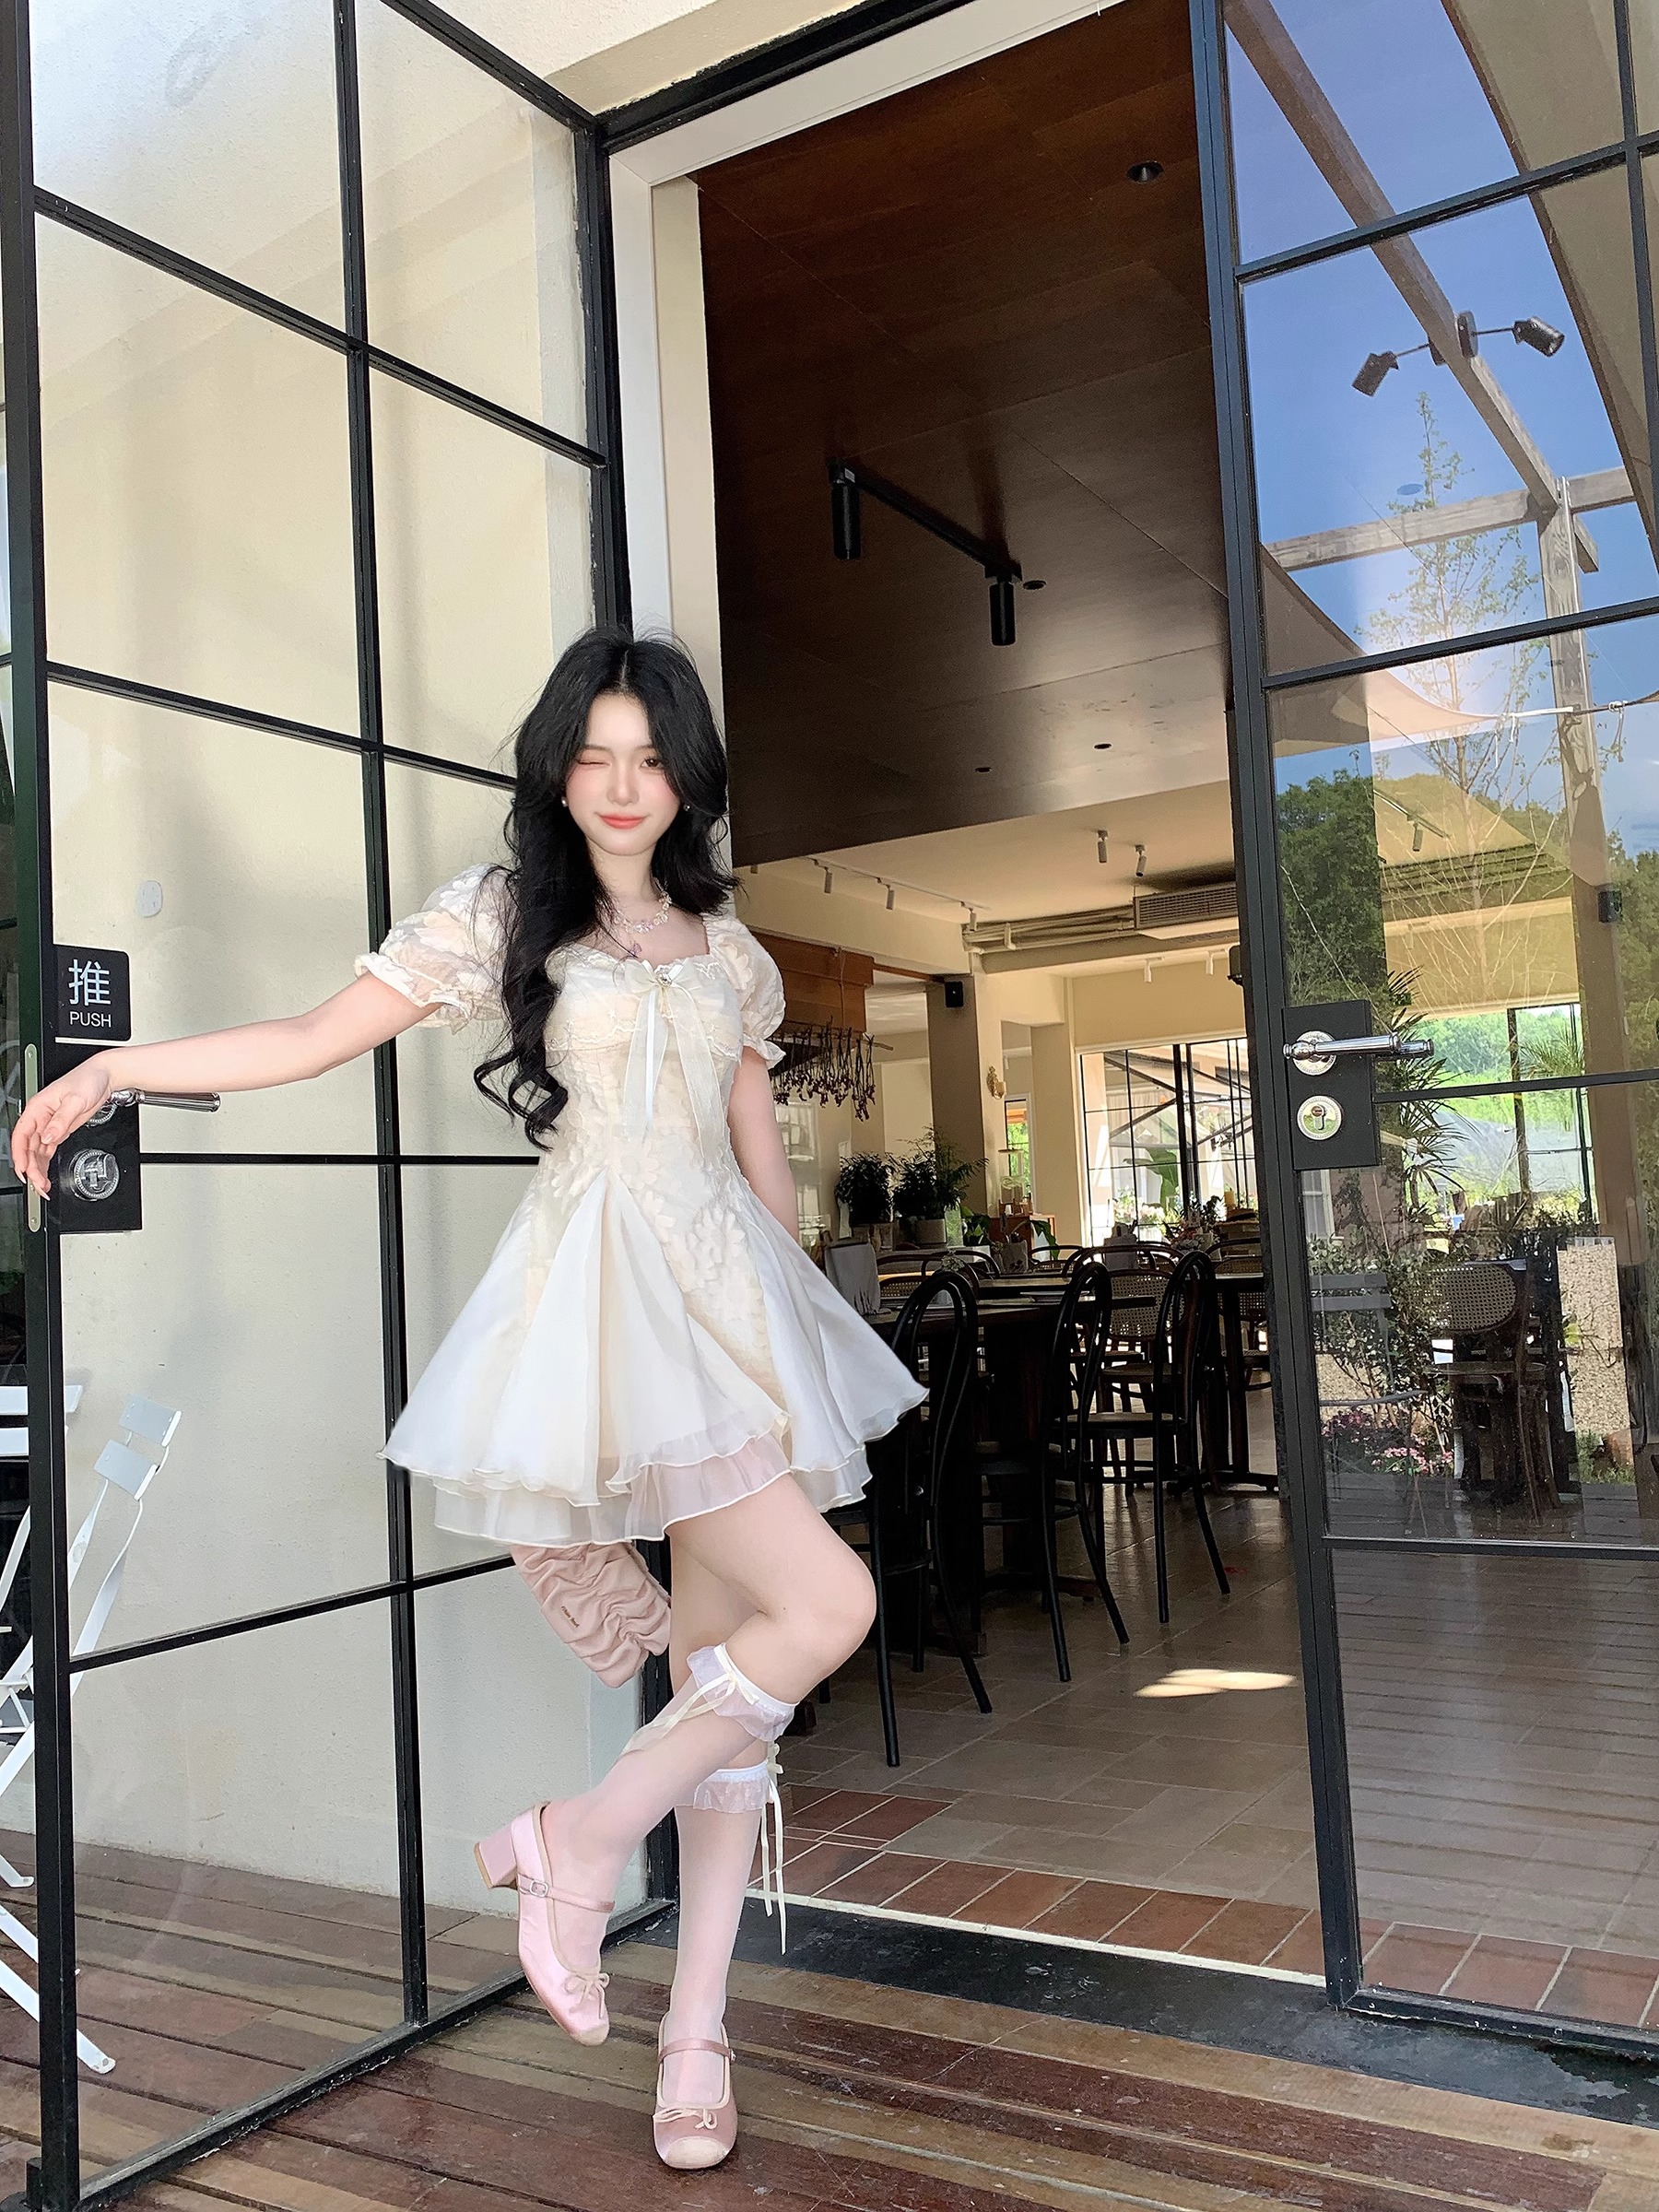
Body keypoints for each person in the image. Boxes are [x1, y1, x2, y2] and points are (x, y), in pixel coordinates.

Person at [12, 628, 925, 2171]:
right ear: (558, 767)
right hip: (606, 1310)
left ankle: (696, 2030)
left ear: (688, 777)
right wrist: (115, 1071)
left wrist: (806, 1343)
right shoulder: (506, 914)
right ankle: (578, 1841)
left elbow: (762, 1166)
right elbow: (311, 1037)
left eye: (652, 760)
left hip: (736, 1315)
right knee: (827, 1606)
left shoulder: (734, 949)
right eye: (596, 756)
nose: (623, 786)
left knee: (725, 1684)